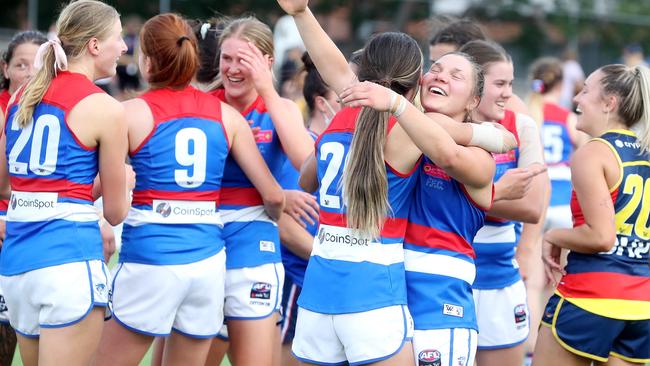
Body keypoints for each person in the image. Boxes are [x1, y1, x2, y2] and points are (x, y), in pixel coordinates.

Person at [278, 1, 518, 364]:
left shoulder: (455, 146)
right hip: (384, 294)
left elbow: (468, 149)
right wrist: (301, 14)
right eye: (435, 69)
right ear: (416, 79)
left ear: (473, 100)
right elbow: (341, 74)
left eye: (456, 75)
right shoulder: (391, 124)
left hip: (437, 304)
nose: (440, 76)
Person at [92, 13, 285, 366]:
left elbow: (107, 204)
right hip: (207, 264)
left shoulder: (130, 112)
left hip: (152, 258)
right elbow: (273, 195)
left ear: (147, 61)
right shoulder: (226, 116)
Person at [0, 1, 129, 365]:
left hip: (17, 264)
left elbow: (6, 184)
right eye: (118, 38)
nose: (123, 47)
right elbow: (116, 213)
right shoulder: (105, 107)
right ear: (93, 45)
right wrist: (115, 181)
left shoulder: (21, 97)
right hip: (68, 261)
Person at [206, 15, 313, 366]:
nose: (234, 69)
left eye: (245, 60)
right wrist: (279, 196)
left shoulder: (279, 109)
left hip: (255, 246)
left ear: (267, 61)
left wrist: (267, 90)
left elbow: (304, 161)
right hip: (202, 241)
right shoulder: (205, 105)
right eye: (227, 59)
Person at [534, 64, 650, 366]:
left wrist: (553, 235)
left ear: (609, 103)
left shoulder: (594, 152)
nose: (577, 100)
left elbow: (601, 237)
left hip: (591, 297)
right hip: (642, 306)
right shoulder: (646, 151)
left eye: (586, 90)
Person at [458, 40, 547, 366]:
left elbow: (532, 207)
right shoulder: (442, 125)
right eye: (500, 83)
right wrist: (500, 192)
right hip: (448, 274)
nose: (509, 93)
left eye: (510, 83)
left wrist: (469, 194)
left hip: (499, 276)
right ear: (475, 86)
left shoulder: (521, 126)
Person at [0, 29, 48, 365]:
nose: (30, 73)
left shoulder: (60, 112)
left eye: (38, 64)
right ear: (5, 69)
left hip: (43, 241)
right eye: (21, 65)